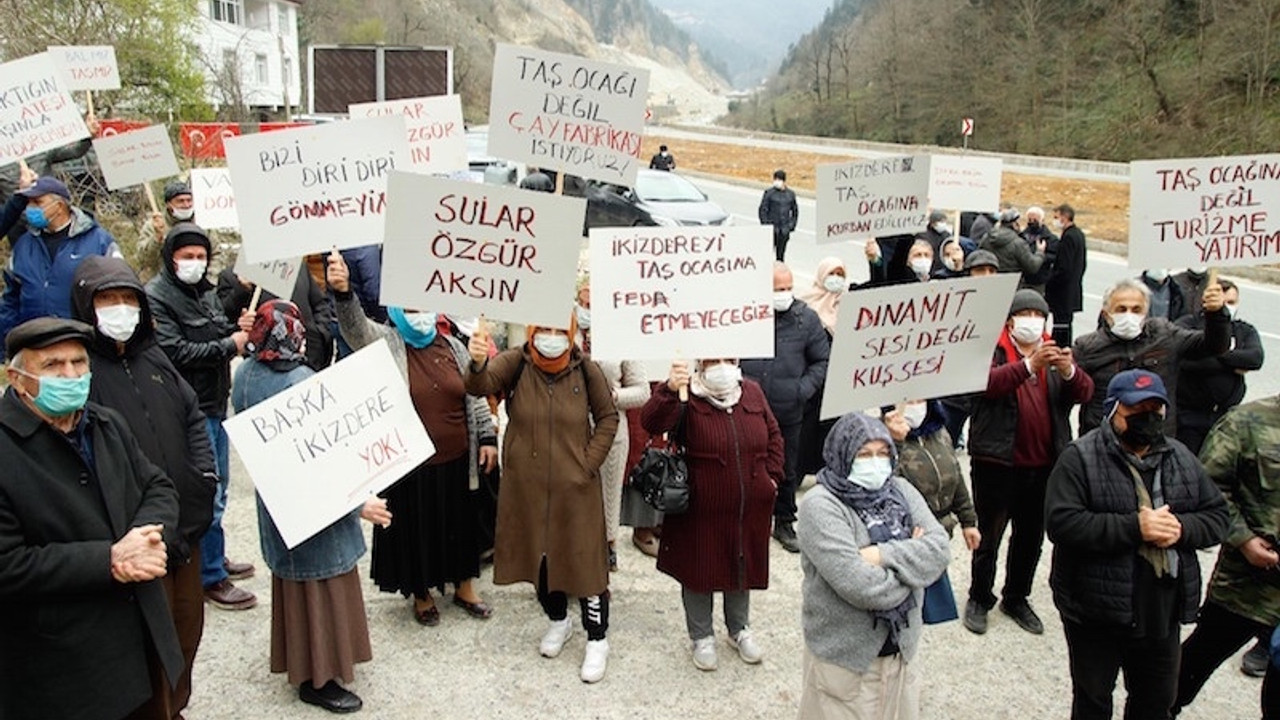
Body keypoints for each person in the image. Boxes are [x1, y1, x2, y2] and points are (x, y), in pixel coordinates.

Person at [0, 317, 184, 720]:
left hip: (140, 641)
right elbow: (8, 564)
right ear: (18, 378)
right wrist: (110, 560)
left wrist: (145, 535)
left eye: (79, 363)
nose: (71, 374)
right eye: (53, 366)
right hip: (62, 668)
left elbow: (159, 486)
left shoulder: (106, 423)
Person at [69, 256, 218, 720]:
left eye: (128, 298)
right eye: (107, 300)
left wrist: (204, 476)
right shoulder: (80, 370)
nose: (120, 309)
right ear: (85, 306)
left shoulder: (155, 357)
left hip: (184, 533)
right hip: (137, 540)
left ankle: (177, 709)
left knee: (186, 631)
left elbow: (193, 416)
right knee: (147, 646)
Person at [231, 300, 392, 714]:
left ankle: (304, 664)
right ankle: (319, 678)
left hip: (279, 506)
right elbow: (322, 460)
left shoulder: (245, 375)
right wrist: (359, 503)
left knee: (297, 590)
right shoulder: (301, 380)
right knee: (322, 594)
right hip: (317, 509)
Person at [1045, 369, 1228, 720]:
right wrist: (1135, 527)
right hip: (1096, 610)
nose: (1148, 419)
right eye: (1136, 412)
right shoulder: (1079, 458)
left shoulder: (1180, 457)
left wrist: (1182, 529)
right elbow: (1062, 522)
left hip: (1161, 609)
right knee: (1093, 699)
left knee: (1156, 700)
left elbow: (1217, 516)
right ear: (1113, 412)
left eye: (1155, 411)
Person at [327, 252, 498, 626]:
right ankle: (421, 593)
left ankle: (465, 586)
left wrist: (487, 436)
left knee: (460, 525)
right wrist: (343, 292)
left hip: (457, 459)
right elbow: (355, 329)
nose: (420, 312)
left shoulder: (452, 345)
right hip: (411, 465)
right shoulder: (386, 342)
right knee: (418, 530)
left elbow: (473, 392)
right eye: (411, 306)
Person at [464, 316, 619, 683]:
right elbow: (478, 386)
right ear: (532, 333)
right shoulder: (518, 362)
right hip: (528, 489)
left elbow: (608, 418)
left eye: (558, 332)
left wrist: (587, 463)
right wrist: (477, 360)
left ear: (570, 335)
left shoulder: (588, 371)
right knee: (541, 557)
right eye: (543, 331)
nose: (551, 339)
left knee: (586, 564)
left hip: (576, 488)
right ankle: (558, 621)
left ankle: (597, 639)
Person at [796, 412, 951, 719]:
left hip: (901, 653)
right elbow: (862, 587)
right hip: (845, 662)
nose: (875, 462)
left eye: (882, 453)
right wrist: (912, 566)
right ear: (842, 454)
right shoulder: (821, 505)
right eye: (864, 454)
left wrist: (881, 555)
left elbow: (940, 549)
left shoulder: (901, 491)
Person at [963, 290, 1094, 636]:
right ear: (1010, 321)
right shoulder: (992, 347)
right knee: (989, 535)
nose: (1033, 321)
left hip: (1045, 465)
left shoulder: (1054, 351)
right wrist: (1027, 367)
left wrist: (1068, 371)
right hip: (997, 462)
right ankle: (979, 596)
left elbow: (1084, 393)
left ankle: (1016, 596)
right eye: (1026, 314)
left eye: (1039, 315)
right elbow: (986, 385)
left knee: (1031, 536)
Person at [642, 357, 783, 670]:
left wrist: (771, 479)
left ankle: (739, 629)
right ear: (700, 362)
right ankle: (701, 636)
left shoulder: (753, 392)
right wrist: (668, 389)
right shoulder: (685, 395)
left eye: (726, 359)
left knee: (741, 563)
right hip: (699, 508)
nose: (720, 365)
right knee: (699, 570)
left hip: (748, 506)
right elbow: (651, 423)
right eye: (712, 359)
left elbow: (774, 436)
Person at [146, 222, 258, 612]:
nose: (194, 263)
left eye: (200, 256)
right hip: (188, 410)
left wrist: (236, 328)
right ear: (170, 257)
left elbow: (216, 330)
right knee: (206, 490)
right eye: (186, 256)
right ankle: (210, 575)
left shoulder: (206, 292)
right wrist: (231, 344)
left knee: (221, 486)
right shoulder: (157, 297)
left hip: (215, 402)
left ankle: (215, 556)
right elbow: (175, 352)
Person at [1173, 394, 1280, 717]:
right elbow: (1206, 486)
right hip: (1248, 586)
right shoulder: (1247, 421)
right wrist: (1243, 539)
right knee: (1192, 667)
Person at [741, 261, 830, 553]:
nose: (784, 294)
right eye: (778, 289)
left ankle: (783, 520)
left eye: (788, 288)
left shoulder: (806, 319)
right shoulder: (744, 315)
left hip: (788, 409)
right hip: (747, 410)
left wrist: (801, 390)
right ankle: (748, 520)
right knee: (746, 465)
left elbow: (822, 360)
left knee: (786, 466)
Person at [1073, 276, 1228, 436]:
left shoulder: (1164, 335)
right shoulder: (1087, 348)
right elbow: (1069, 394)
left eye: (1136, 310)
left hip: (1156, 439)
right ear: (1106, 314)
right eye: (1121, 309)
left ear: (1146, 313)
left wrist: (1216, 315)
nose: (1129, 315)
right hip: (1103, 442)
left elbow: (1214, 346)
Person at [576, 278, 650, 571]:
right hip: (570, 430)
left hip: (610, 430)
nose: (586, 310)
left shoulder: (622, 336)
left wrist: (611, 397)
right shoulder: (564, 333)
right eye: (583, 304)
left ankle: (607, 547)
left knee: (606, 494)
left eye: (593, 305)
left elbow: (642, 391)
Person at [885, 400, 980, 627]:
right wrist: (894, 442)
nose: (915, 405)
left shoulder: (940, 432)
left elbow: (955, 474)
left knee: (926, 613)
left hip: (937, 535)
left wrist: (968, 520)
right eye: (908, 400)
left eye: (920, 399)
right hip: (906, 539)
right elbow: (885, 486)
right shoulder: (881, 440)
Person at [0, 176, 121, 351]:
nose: (29, 209)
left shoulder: (99, 241)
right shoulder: (23, 245)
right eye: (29, 203)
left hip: (86, 345)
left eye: (37, 202)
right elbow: (11, 299)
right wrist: (7, 345)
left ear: (59, 206)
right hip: (37, 345)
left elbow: (118, 290)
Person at [1174, 278, 1264, 454]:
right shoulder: (1187, 325)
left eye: (1231, 302)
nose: (1227, 306)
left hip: (1226, 416)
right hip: (1189, 417)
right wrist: (1231, 361)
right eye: (1223, 302)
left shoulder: (1244, 330)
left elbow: (1255, 358)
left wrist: (1216, 355)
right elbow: (1185, 360)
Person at [217, 258, 335, 371]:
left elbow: (320, 304)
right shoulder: (233, 276)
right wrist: (242, 289)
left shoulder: (296, 267)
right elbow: (224, 318)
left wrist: (320, 332)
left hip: (310, 356)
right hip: (265, 368)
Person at [1047, 203, 1087, 347]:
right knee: (1065, 323)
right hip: (1072, 288)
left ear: (1065, 217)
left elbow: (1064, 267)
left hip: (1063, 291)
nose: (1055, 220)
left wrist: (1050, 280)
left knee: (1061, 325)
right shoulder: (1079, 235)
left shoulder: (1069, 237)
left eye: (1056, 217)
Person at [979, 208, 1045, 284]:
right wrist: (1040, 252)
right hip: (1011, 285)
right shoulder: (1018, 243)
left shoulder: (986, 237)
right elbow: (1032, 267)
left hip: (989, 281)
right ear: (1014, 224)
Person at [758, 169, 799, 262]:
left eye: (779, 179)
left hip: (784, 230)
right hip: (772, 229)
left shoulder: (790, 194)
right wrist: (766, 225)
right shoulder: (769, 193)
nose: (777, 181)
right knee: (767, 254)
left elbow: (795, 211)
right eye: (775, 179)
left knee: (780, 255)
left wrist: (791, 226)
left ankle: (779, 272)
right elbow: (763, 210)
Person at [1019, 206, 1058, 293]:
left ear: (1042, 220)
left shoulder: (1050, 239)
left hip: (1039, 280)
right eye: (1029, 220)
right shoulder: (1021, 236)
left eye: (1035, 220)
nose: (1032, 222)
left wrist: (1040, 256)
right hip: (1023, 278)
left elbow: (1054, 257)